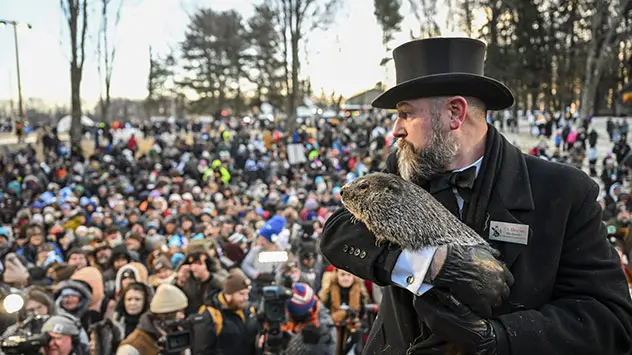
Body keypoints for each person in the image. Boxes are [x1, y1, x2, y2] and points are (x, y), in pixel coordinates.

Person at [320, 37, 632, 354]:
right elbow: (336, 234)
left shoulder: (563, 192)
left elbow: (608, 320)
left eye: (406, 113)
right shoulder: (402, 168)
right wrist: (430, 263)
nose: (396, 129)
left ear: (455, 112)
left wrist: (497, 338)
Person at [116, 283, 188, 355]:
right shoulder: (132, 346)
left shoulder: (180, 336)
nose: (182, 316)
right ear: (165, 315)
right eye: (179, 312)